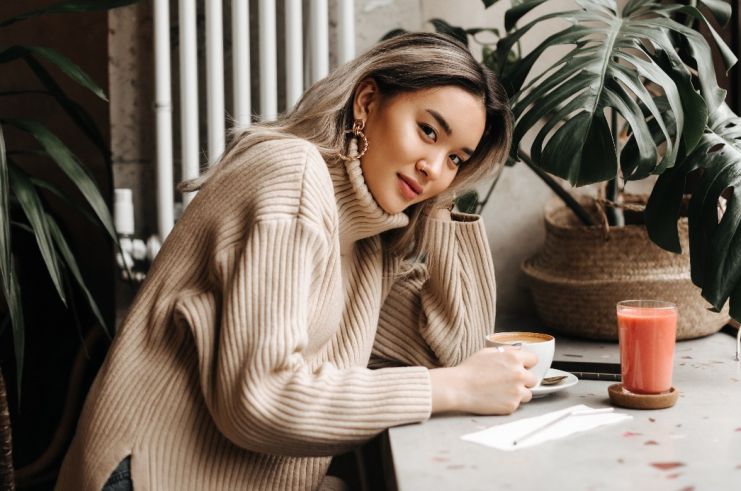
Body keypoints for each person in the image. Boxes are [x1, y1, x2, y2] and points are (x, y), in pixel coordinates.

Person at [57, 32, 539, 491]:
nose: (434, 167)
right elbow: (260, 400)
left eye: (457, 159)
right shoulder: (292, 174)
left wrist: (437, 203)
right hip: (155, 475)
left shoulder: (370, 236)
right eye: (427, 130)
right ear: (367, 103)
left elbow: (453, 354)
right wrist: (446, 389)